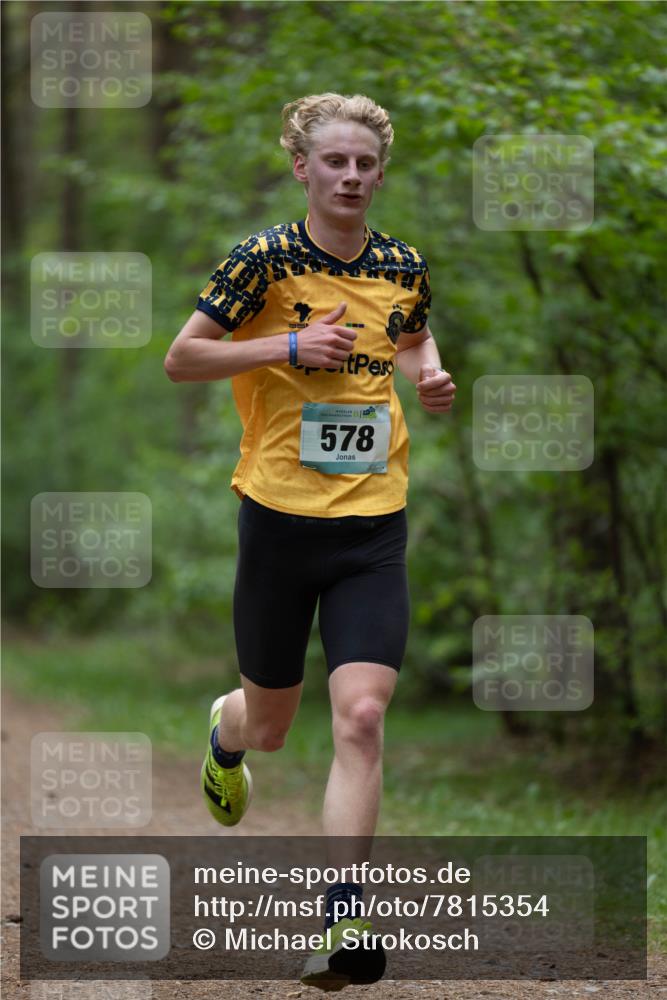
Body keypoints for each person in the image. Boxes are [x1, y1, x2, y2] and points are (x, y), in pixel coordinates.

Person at [164, 92, 456, 990]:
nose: (352, 176)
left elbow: (406, 335)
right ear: (303, 167)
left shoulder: (402, 263)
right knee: (276, 726)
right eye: (335, 161)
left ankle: (345, 916)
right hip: (280, 519)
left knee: (363, 716)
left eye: (365, 164)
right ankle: (228, 729)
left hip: (372, 522)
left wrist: (428, 370)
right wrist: (286, 346)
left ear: (380, 173)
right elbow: (184, 356)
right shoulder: (263, 260)